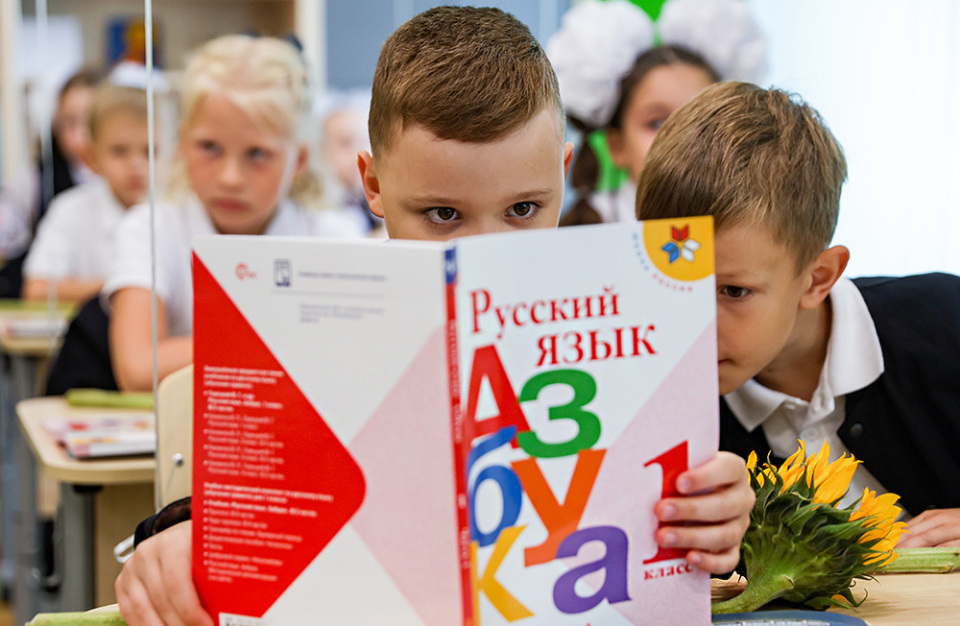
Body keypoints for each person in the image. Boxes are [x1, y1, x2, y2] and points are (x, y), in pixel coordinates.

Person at [116, 7, 755, 625]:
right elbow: (258, 496)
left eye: (523, 209)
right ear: (372, 185)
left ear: (562, 174)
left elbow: (672, 529)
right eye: (443, 215)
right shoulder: (319, 320)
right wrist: (179, 537)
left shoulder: (621, 326)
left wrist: (713, 513)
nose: (485, 252)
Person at [636, 81, 960, 548]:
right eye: (675, 284)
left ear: (816, 279)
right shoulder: (658, 402)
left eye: (733, 291)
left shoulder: (945, 321)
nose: (695, 326)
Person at [104, 34, 365, 393]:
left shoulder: (335, 238)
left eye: (257, 154)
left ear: (299, 160)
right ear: (183, 144)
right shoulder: (150, 229)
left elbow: (352, 365)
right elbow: (137, 369)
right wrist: (291, 342)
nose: (230, 178)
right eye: (210, 147)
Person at [546, 0, 765, 226]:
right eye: (657, 123)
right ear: (617, 146)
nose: (682, 138)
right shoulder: (583, 230)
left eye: (703, 121)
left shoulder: (755, 224)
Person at [22, 83, 150, 303]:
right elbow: (37, 289)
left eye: (149, 151)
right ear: (91, 156)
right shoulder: (69, 210)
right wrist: (125, 287)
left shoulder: (174, 211)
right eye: (119, 151)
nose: (136, 165)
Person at [0, 69, 99, 297]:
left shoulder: (129, 182)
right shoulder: (36, 179)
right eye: (68, 123)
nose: (79, 135)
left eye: (88, 122)